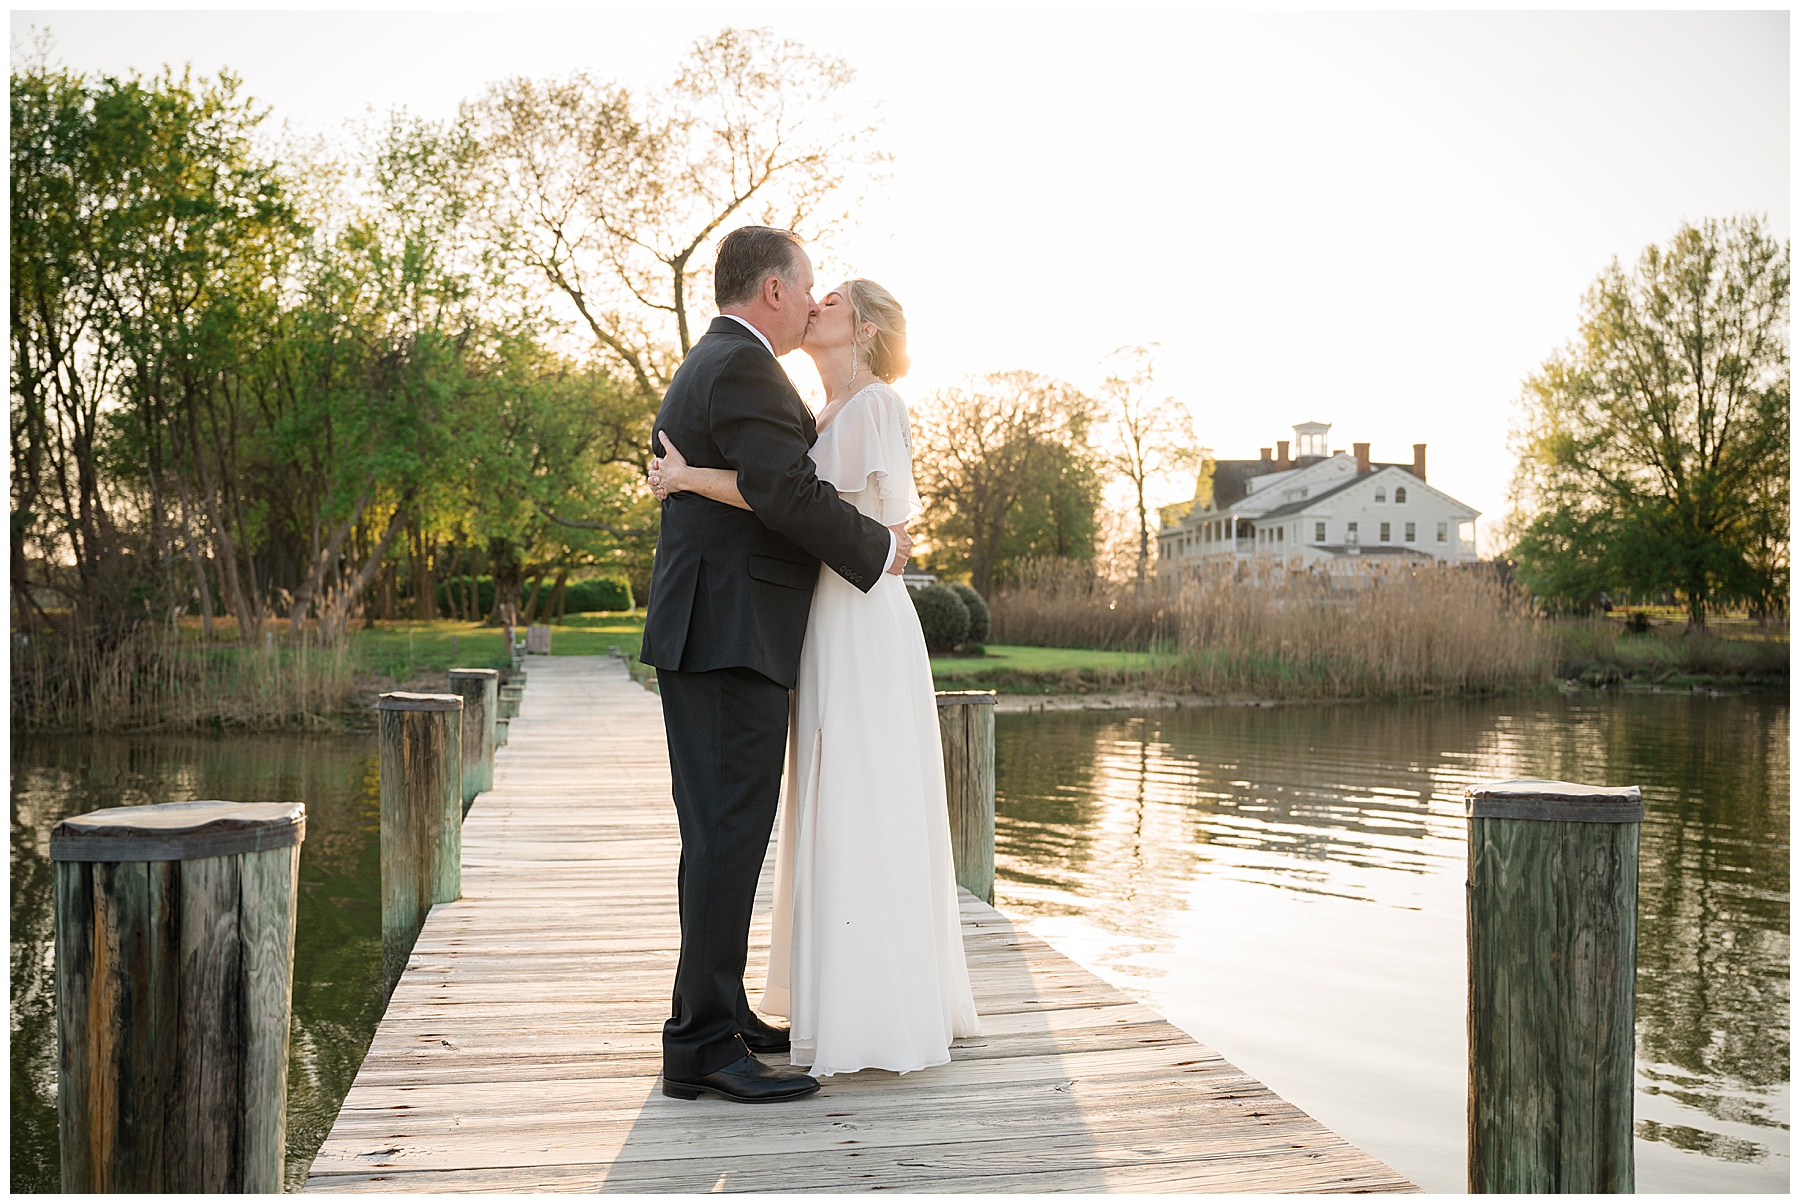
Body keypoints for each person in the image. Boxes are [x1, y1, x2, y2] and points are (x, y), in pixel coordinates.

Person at [649, 276, 982, 1079]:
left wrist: (691, 479)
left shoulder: (873, 406)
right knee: (811, 806)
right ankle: (728, 1020)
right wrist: (690, 479)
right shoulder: (813, 408)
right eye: (810, 292)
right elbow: (784, 492)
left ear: (861, 328)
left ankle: (869, 1008)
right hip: (814, 622)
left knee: (860, 796)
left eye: (830, 301)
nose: (814, 305)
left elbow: (818, 506)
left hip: (861, 620)